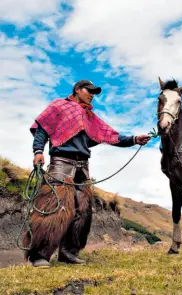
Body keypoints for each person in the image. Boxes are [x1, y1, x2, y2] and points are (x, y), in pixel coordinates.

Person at [24, 80, 150, 268]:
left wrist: (134, 139)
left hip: (83, 167)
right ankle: (39, 255)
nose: (92, 94)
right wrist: (38, 151)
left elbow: (111, 135)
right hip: (61, 163)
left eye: (94, 92)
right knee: (55, 208)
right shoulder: (59, 105)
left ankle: (68, 253)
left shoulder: (89, 116)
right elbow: (43, 128)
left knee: (82, 212)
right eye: (89, 91)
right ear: (77, 90)